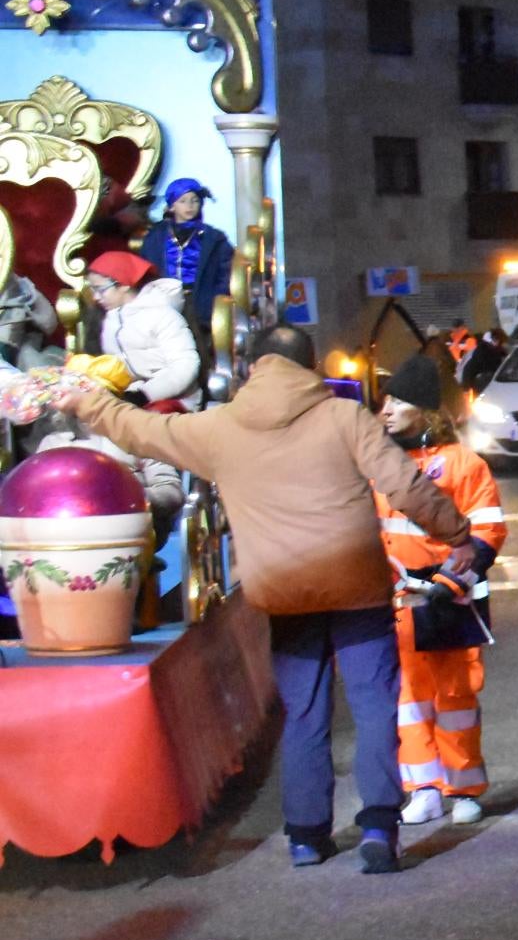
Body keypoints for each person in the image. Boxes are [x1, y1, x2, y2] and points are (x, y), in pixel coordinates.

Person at [56, 324, 466, 872]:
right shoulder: (344, 418)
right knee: (372, 709)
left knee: (303, 713)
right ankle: (378, 830)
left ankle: (306, 836)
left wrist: (87, 401)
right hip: (356, 589)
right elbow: (406, 486)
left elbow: (141, 430)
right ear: (311, 366)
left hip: (284, 590)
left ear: (253, 367)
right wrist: (458, 535)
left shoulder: (222, 428)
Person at [376, 354, 508, 828]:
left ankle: (464, 788)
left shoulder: (462, 464)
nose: (385, 409)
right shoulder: (381, 462)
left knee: (455, 697)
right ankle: (423, 787)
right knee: (408, 701)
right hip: (399, 602)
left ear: (426, 409)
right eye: (385, 399)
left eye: (396, 400)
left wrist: (451, 580)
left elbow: (488, 532)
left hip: (449, 599)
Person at [137, 177, 232, 379]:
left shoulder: (213, 238)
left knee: (198, 347)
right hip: (164, 301)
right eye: (183, 201)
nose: (189, 206)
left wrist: (217, 298)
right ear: (172, 205)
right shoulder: (156, 237)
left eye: (194, 200)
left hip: (199, 301)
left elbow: (225, 273)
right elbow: (146, 268)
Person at [84, 250, 202, 409]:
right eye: (93, 290)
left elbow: (185, 366)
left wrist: (145, 394)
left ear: (124, 285)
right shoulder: (107, 320)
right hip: (129, 396)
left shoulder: (161, 314)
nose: (96, 297)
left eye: (101, 289)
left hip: (173, 398)